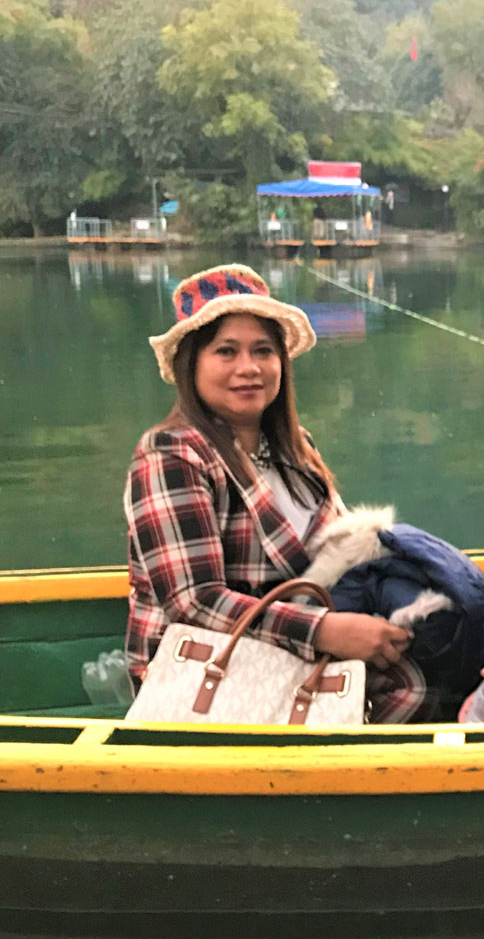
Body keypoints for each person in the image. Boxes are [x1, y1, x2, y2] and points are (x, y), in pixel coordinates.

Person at [124, 263, 428, 722]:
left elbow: (338, 556)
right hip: (203, 669)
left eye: (263, 351)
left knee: (437, 652)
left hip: (289, 642)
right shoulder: (172, 453)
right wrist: (324, 630)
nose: (249, 368)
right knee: (406, 689)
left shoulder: (295, 448)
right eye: (226, 351)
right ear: (193, 363)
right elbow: (194, 600)